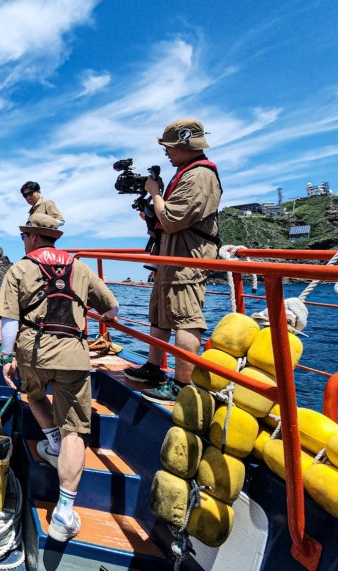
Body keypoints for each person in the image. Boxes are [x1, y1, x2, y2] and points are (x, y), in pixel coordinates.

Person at [0, 213, 119, 542]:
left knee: (33, 395)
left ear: (34, 237)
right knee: (75, 430)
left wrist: (8, 358)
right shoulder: (79, 267)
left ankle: (51, 442)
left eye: (24, 236)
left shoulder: (19, 268)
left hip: (33, 352)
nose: (23, 241)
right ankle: (64, 511)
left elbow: (9, 321)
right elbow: (112, 309)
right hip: (74, 355)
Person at [123, 118, 223, 403]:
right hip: (171, 257)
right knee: (161, 313)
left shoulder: (200, 176)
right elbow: (165, 219)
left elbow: (174, 219)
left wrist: (155, 194)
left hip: (186, 258)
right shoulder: (188, 173)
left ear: (185, 144)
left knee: (185, 317)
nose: (166, 152)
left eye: (169, 146)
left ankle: (182, 385)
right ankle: (154, 368)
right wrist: (151, 210)